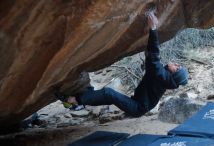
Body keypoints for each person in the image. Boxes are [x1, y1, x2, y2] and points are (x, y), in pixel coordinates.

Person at [55, 12, 188, 117]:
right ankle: (83, 100)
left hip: (137, 107)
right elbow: (151, 60)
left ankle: (73, 101)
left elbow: (154, 57)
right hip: (137, 103)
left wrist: (153, 29)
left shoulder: (163, 77)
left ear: (173, 75)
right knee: (108, 97)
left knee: (109, 93)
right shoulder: (164, 78)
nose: (176, 64)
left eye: (177, 67)